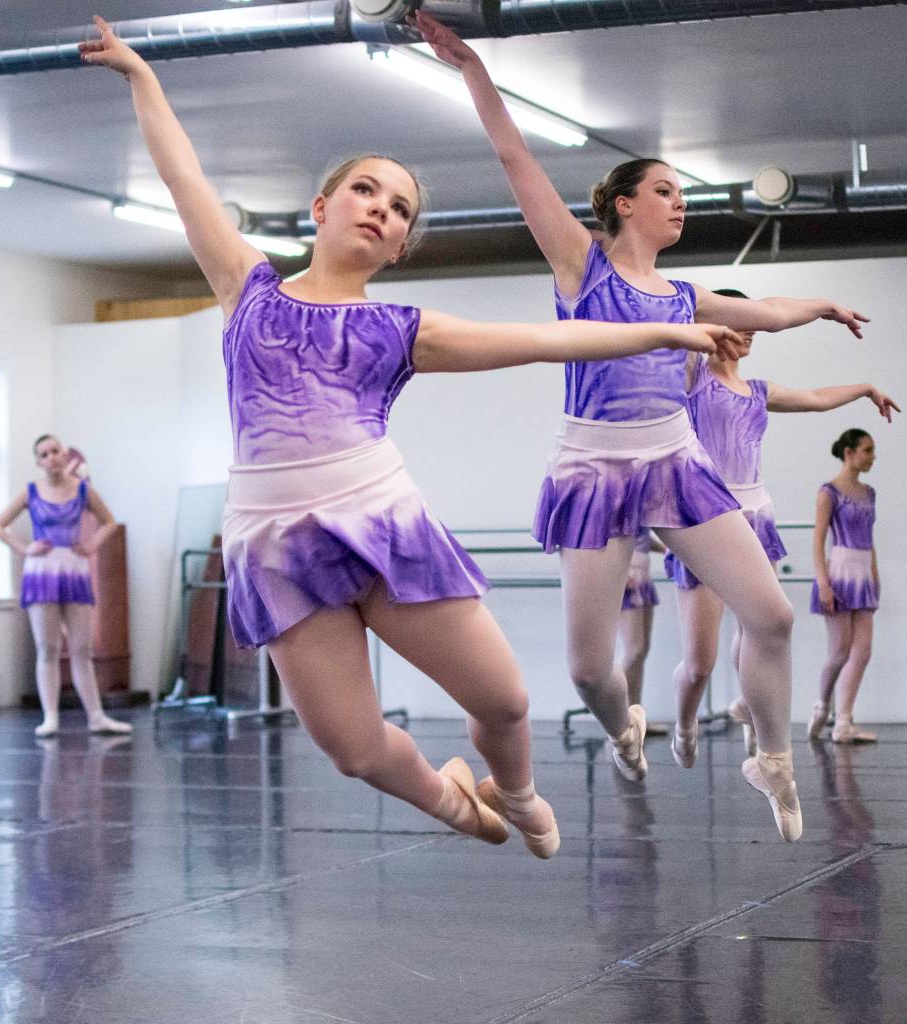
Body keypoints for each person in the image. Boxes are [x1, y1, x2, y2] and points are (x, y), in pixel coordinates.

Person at [77, 17, 741, 858]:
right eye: (367, 191)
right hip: (278, 544)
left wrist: (664, 333)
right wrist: (142, 75)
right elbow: (181, 177)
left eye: (399, 211)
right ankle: (458, 806)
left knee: (502, 700)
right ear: (322, 207)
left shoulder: (403, 327)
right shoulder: (247, 289)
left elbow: (545, 340)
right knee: (351, 747)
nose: (381, 210)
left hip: (380, 522)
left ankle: (517, 791)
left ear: (396, 249)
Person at [414, 12, 870, 841]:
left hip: (673, 460)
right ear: (624, 203)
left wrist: (822, 305)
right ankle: (623, 725)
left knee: (769, 615)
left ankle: (770, 758)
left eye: (682, 195)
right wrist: (473, 69)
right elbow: (516, 159)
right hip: (593, 469)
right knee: (591, 668)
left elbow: (762, 309)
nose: (679, 205)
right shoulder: (579, 266)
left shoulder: (683, 294)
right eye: (665, 190)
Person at [663, 290, 897, 765]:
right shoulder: (690, 376)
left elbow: (814, 398)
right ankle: (685, 721)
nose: (749, 330)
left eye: (752, 323)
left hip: (756, 518)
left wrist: (865, 388)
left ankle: (750, 706)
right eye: (739, 321)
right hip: (706, 519)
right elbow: (679, 318)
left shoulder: (758, 392)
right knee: (700, 663)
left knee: (762, 627)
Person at [0, 434, 133, 737]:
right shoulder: (30, 492)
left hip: (74, 569)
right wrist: (24, 548)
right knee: (48, 647)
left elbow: (109, 521)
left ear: (65, 454)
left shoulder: (83, 490)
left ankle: (96, 717)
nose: (52, 457)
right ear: (38, 462)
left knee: (81, 648)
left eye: (55, 451)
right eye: (44, 454)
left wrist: (91, 545)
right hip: (41, 571)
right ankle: (50, 717)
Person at [810, 429, 882, 743]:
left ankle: (843, 722)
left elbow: (870, 539)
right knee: (839, 652)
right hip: (839, 571)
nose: (872, 456)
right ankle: (822, 706)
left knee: (862, 652)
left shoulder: (869, 493)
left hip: (863, 572)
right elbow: (818, 541)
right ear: (849, 453)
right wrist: (823, 582)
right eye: (867, 450)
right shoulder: (829, 491)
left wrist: (875, 576)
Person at [619, 529, 668, 736]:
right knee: (633, 651)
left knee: (641, 652)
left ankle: (635, 718)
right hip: (626, 572)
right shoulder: (614, 500)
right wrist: (619, 571)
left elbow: (642, 536)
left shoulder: (637, 502)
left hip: (641, 574)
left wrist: (669, 548)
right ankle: (618, 722)